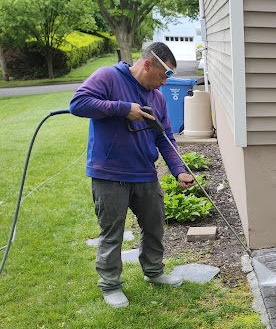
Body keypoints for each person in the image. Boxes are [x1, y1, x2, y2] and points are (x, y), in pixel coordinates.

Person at [70, 42, 194, 308]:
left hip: (145, 173)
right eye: (162, 76)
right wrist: (124, 108)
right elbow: (78, 104)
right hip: (110, 173)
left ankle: (154, 271)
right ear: (147, 64)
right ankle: (110, 285)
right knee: (112, 232)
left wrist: (178, 170)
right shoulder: (109, 76)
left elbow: (165, 137)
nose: (163, 83)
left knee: (154, 225)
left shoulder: (157, 98)